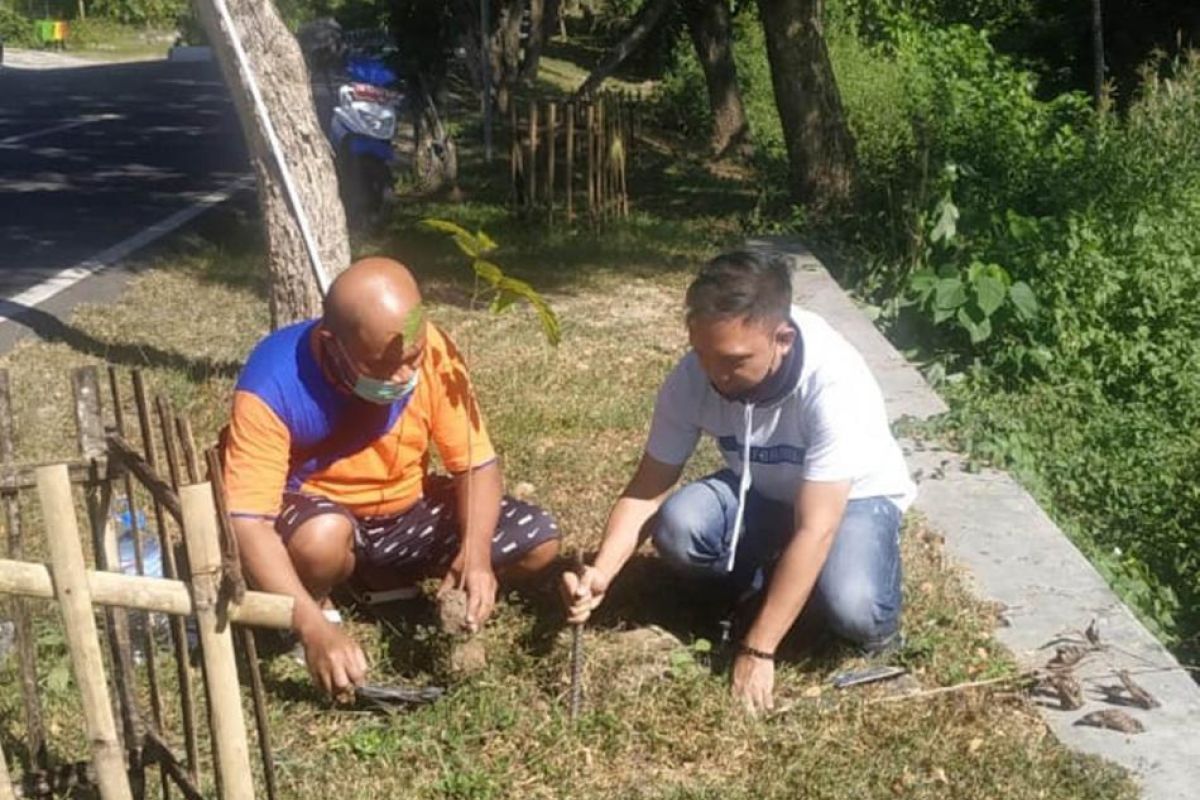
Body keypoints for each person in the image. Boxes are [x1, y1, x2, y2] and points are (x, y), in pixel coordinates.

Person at [562, 250, 915, 714]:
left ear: (782, 339)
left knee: (855, 605)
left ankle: (863, 625)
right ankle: (777, 583)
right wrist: (602, 572)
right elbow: (649, 486)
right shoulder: (696, 374)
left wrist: (758, 649)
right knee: (680, 526)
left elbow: (817, 527)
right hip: (765, 493)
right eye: (702, 354)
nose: (714, 374)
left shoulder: (833, 385)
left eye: (732, 361)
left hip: (852, 501)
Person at [223, 257, 560, 697]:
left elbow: (476, 464)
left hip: (406, 510)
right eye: (381, 367)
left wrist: (475, 555)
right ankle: (318, 597)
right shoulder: (272, 383)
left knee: (539, 541)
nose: (403, 376)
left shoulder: (432, 347)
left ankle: (378, 581)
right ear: (332, 344)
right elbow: (249, 522)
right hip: (321, 514)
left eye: (411, 358)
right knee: (322, 541)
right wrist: (311, 629)